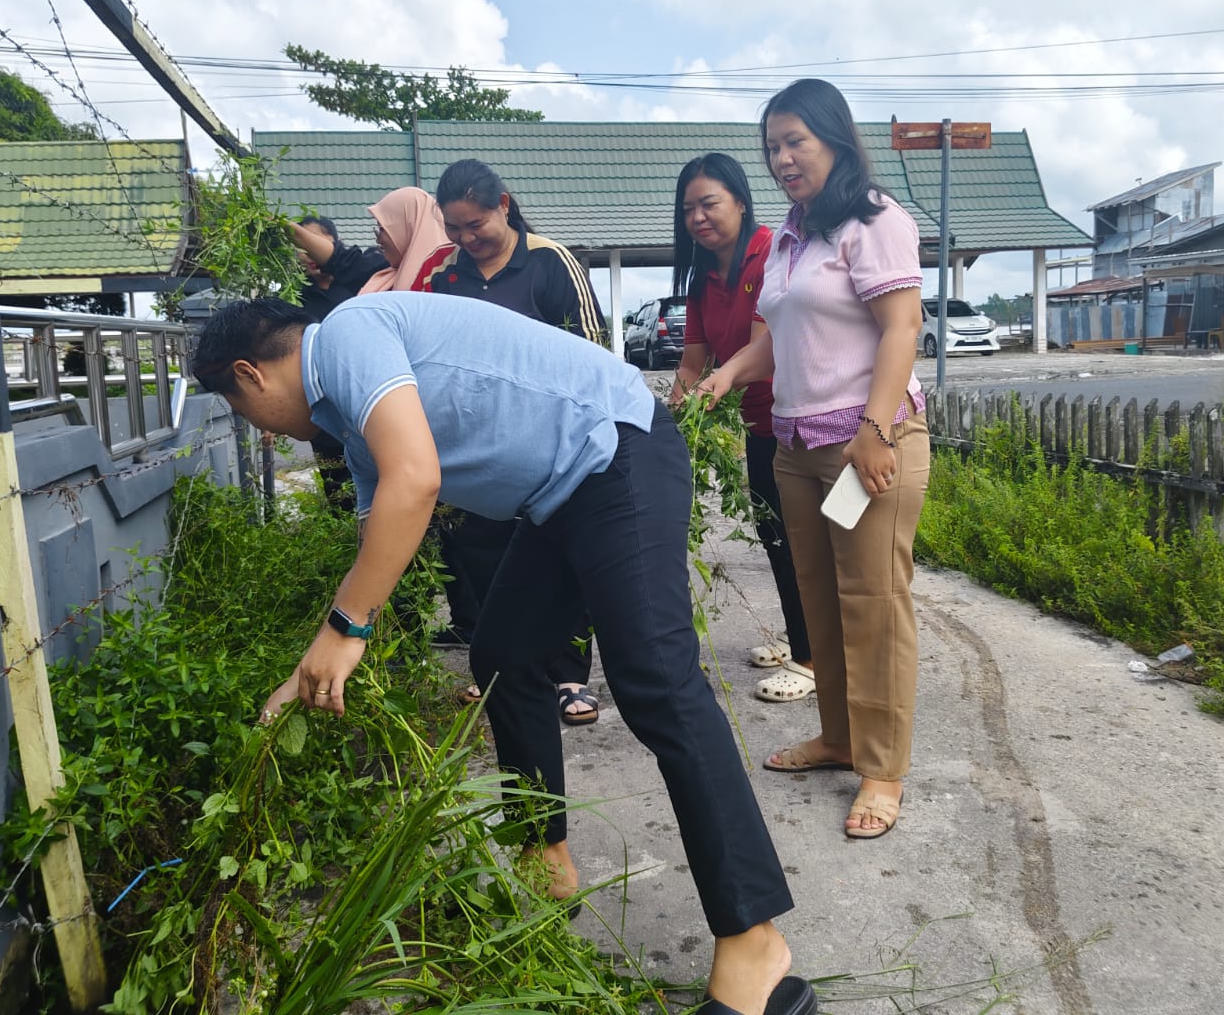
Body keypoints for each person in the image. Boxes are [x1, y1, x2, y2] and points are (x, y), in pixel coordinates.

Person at [191, 294, 814, 1015]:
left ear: (251, 374)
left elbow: (416, 479)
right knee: (505, 654)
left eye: (242, 412)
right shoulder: (348, 418)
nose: (259, 432)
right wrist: (312, 664)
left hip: (618, 452)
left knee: (657, 684)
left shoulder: (349, 338)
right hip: (562, 494)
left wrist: (345, 628)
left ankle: (754, 939)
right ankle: (545, 856)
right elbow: (381, 539)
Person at [700, 78, 930, 841]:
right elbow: (780, 338)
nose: (783, 158)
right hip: (798, 449)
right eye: (772, 147)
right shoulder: (795, 234)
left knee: (873, 602)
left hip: (862, 448)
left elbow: (901, 327)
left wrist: (874, 428)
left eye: (795, 140)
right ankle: (838, 737)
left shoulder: (874, 220)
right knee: (822, 598)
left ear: (834, 136)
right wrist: (730, 373)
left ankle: (883, 768)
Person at [424, 159, 603, 725]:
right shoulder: (444, 280)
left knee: (560, 558)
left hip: (551, 444)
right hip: (481, 448)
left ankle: (570, 675)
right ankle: (502, 674)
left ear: (504, 205)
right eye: (454, 229)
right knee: (488, 560)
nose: (466, 238)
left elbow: (590, 349)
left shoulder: (550, 263)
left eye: (475, 224)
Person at [667, 153, 813, 704]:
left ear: (741, 203)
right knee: (774, 535)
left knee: (799, 540)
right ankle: (801, 639)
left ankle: (810, 656)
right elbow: (692, 360)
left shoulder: (768, 256)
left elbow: (762, 350)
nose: (698, 218)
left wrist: (718, 381)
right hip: (756, 425)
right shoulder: (704, 277)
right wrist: (677, 409)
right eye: (688, 209)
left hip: (794, 421)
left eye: (709, 203)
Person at [285, 214, 387, 507]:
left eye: (316, 244)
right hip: (325, 413)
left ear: (333, 244)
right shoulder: (296, 297)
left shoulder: (367, 281)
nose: (310, 255)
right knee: (339, 493)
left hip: (366, 402)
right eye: (302, 250)